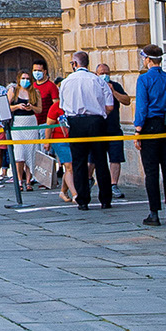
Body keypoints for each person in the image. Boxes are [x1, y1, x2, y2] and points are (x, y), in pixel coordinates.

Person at [58, 50, 115, 211]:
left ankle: (82, 199)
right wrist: (99, 113)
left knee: (79, 162)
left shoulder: (67, 82)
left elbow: (63, 107)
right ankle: (105, 199)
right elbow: (109, 105)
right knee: (101, 161)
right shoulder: (97, 80)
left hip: (76, 123)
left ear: (75, 64)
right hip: (96, 122)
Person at [134, 44, 166, 226]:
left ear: (147, 60)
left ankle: (154, 213)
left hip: (151, 126)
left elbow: (142, 107)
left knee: (151, 171)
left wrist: (138, 130)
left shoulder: (144, 80)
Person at [96, 62, 128, 190]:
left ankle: (113, 184)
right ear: (96, 74)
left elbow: (126, 100)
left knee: (115, 158)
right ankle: (90, 180)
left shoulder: (115, 86)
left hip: (114, 128)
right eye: (102, 73)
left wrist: (113, 92)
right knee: (93, 159)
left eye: (107, 73)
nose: (105, 76)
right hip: (97, 129)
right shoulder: (94, 86)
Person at [7, 71, 42, 189]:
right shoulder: (13, 91)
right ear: (18, 79)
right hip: (18, 123)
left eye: (27, 78)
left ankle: (28, 181)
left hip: (31, 122)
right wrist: (17, 106)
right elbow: (5, 107)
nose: (25, 80)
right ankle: (18, 179)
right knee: (19, 152)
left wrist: (31, 107)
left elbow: (39, 110)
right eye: (23, 78)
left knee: (31, 151)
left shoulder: (35, 92)